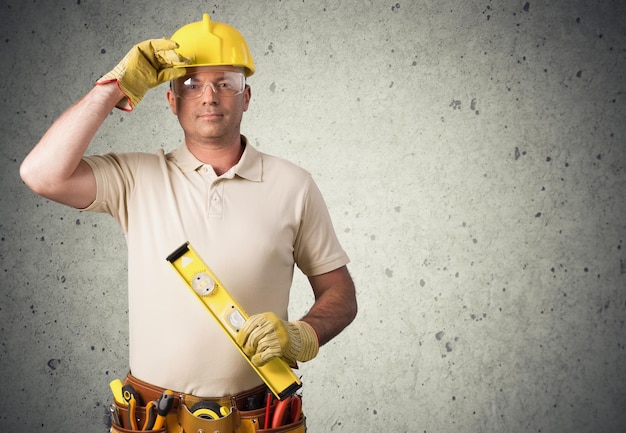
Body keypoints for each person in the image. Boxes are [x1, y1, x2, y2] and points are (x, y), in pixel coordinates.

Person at [20, 13, 356, 433]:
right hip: (152, 418)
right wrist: (112, 88)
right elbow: (41, 174)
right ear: (171, 100)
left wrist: (303, 334)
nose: (209, 96)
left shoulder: (294, 185)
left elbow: (340, 293)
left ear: (246, 96)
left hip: (259, 418)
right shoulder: (135, 177)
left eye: (225, 83)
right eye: (191, 84)